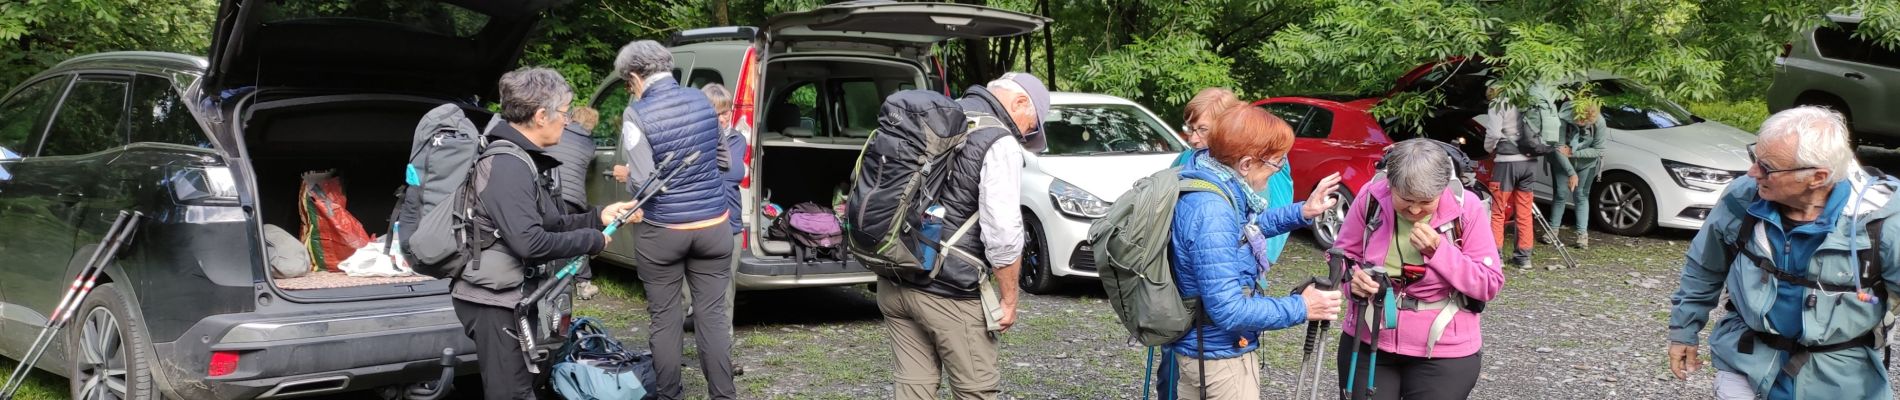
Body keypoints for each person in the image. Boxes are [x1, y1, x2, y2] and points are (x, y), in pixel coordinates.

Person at [1667, 106, 1900, 399]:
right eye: (1756, 158)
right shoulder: (1743, 198)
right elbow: (1704, 266)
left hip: (1843, 378)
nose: (1753, 172)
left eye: (1768, 167)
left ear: (1818, 177)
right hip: (1747, 360)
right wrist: (1683, 331)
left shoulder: (1885, 220)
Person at [452, 67, 637, 400]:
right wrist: (593, 241)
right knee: (511, 394)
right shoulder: (508, 164)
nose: (566, 121)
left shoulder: (524, 158)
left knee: (523, 387)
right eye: (564, 113)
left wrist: (597, 218)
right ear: (540, 116)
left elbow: (550, 224)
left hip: (511, 295)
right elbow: (530, 242)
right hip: (493, 302)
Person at [878, 72, 1049, 400]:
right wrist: (1009, 300)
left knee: (913, 387)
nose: (1027, 135)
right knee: (976, 389)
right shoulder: (998, 141)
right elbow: (1003, 234)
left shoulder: (939, 113)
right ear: (1019, 102)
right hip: (948, 292)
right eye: (1032, 126)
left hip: (896, 277)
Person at [1165, 106, 1344, 399]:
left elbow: (1243, 232)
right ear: (1246, 163)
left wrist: (1302, 211)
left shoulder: (1211, 182)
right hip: (1219, 360)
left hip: (1204, 349)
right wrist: (1302, 306)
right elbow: (1228, 310)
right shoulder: (1213, 210)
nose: (1276, 173)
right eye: (1275, 164)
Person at [1332, 138, 1505, 400]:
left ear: (1443, 189)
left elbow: (1489, 283)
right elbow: (1343, 256)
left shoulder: (1466, 208)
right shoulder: (1371, 198)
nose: (1414, 209)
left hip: (1444, 350)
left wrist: (1439, 252)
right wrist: (1352, 281)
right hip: (1370, 338)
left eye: (1425, 202)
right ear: (1390, 184)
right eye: (1406, 199)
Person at [612, 40, 736, 400]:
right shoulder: (701, 99)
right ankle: (724, 396)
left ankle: (669, 396)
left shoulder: (636, 114)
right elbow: (724, 162)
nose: (630, 90)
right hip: (714, 226)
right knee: (711, 317)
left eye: (627, 83)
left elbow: (641, 181)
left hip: (663, 230)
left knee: (665, 319)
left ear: (635, 76)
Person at [1172, 88, 1298, 276]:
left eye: (1203, 130)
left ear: (1229, 125)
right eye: (1189, 128)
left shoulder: (1261, 164)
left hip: (1241, 268)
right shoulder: (1185, 160)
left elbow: (1269, 214)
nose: (1193, 139)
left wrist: (1257, 262)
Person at [1482, 84, 1559, 269]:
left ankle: (1496, 256)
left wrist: (1488, 148)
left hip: (1506, 163)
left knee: (1498, 210)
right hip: (1530, 162)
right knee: (1524, 210)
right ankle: (1523, 258)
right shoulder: (1528, 102)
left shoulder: (1498, 104)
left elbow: (1493, 133)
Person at [544, 106, 604, 299]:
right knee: (577, 237)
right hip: (575, 198)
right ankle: (583, 283)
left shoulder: (557, 133)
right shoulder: (589, 144)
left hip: (552, 192)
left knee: (552, 235)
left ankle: (548, 279)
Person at [1545, 103, 1607, 249]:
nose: (1582, 124)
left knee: (1581, 196)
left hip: (1586, 163)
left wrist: (1574, 153)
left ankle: (1582, 235)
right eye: (1579, 120)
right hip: (1562, 162)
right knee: (1560, 194)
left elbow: (1598, 150)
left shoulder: (1599, 121)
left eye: (1586, 122)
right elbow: (1558, 148)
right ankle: (1553, 230)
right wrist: (1571, 173)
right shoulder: (1563, 119)